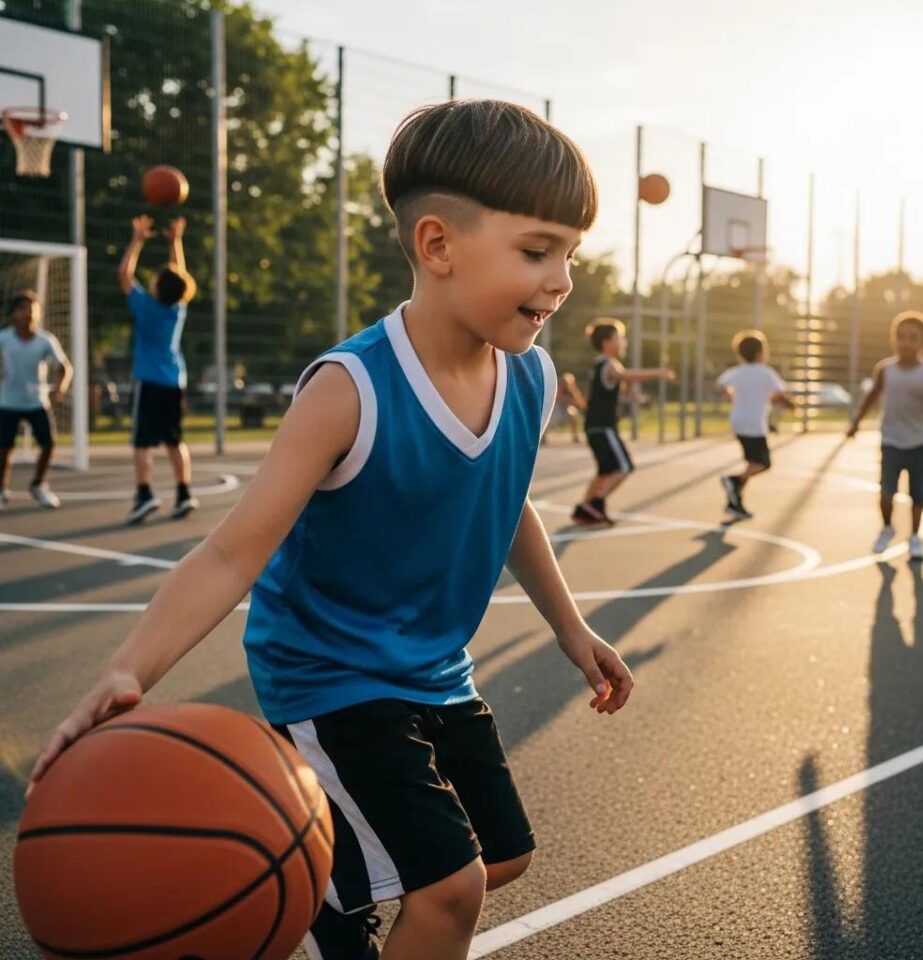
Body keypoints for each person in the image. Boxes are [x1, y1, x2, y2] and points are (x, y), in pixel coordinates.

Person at [29, 100, 634, 960]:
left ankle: (307, 879)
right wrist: (129, 667)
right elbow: (232, 550)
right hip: (330, 674)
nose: (562, 279)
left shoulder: (530, 377)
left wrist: (571, 630)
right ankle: (302, 882)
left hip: (433, 668)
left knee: (504, 857)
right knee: (449, 888)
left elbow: (508, 504)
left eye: (570, 254)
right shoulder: (350, 390)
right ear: (437, 245)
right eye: (537, 251)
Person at [847, 310, 923, 561]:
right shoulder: (885, 369)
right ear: (894, 339)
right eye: (901, 337)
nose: (906, 342)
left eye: (912, 337)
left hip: (919, 442)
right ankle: (887, 528)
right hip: (891, 441)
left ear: (922, 342)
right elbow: (872, 396)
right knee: (886, 492)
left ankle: (915, 538)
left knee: (918, 495)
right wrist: (856, 423)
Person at [117, 214, 198, 524]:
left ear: (157, 287)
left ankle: (145, 493)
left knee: (142, 442)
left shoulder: (145, 307)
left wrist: (137, 239)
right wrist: (175, 241)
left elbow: (124, 274)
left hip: (149, 383)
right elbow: (179, 277)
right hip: (174, 382)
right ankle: (183, 492)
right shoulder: (177, 310)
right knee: (174, 441)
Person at [571, 317, 672, 525]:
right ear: (608, 343)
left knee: (605, 471)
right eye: (621, 338)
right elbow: (626, 376)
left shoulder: (599, 366)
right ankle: (595, 503)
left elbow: (611, 393)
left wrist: (636, 398)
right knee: (625, 467)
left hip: (594, 427)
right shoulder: (609, 364)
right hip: (603, 427)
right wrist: (658, 372)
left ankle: (583, 509)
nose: (624, 342)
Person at [0, 290, 73, 509]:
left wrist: (59, 388)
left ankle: (38, 484)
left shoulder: (45, 341)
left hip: (36, 402)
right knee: (4, 448)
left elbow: (65, 367)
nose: (28, 313)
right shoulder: (4, 339)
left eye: (33, 309)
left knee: (49, 444)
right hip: (8, 402)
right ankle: (2, 488)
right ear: (14, 314)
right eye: (23, 309)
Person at [716, 329, 794, 520]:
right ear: (761, 353)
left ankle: (734, 503)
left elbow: (721, 384)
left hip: (738, 422)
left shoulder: (737, 372)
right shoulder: (765, 373)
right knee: (764, 464)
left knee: (751, 463)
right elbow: (781, 393)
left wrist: (733, 394)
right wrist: (790, 404)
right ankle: (734, 480)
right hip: (754, 425)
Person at [547, 370, 586, 443]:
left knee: (572, 412)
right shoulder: (558, 390)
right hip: (557, 412)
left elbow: (581, 404)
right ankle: (543, 438)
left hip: (566, 413)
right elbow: (557, 400)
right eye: (564, 382)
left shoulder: (573, 391)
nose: (566, 384)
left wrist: (573, 397)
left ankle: (575, 436)